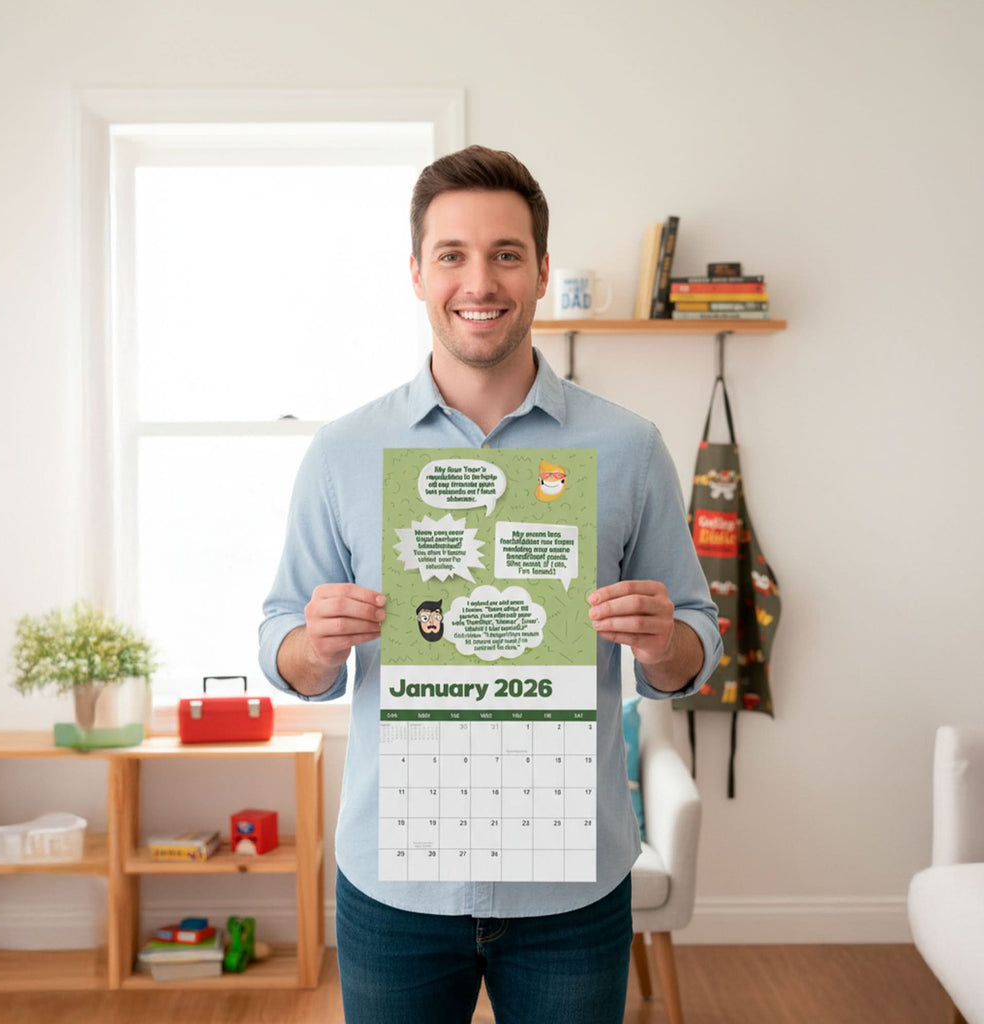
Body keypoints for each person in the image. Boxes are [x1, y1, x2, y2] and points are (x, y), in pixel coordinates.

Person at [260, 145, 722, 1024]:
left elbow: (692, 652)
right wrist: (314, 646)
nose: (482, 280)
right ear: (416, 273)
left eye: (507, 253)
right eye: (453, 255)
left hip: (571, 895)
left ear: (542, 271)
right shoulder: (344, 452)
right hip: (394, 889)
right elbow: (282, 648)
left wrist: (668, 642)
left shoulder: (627, 448)